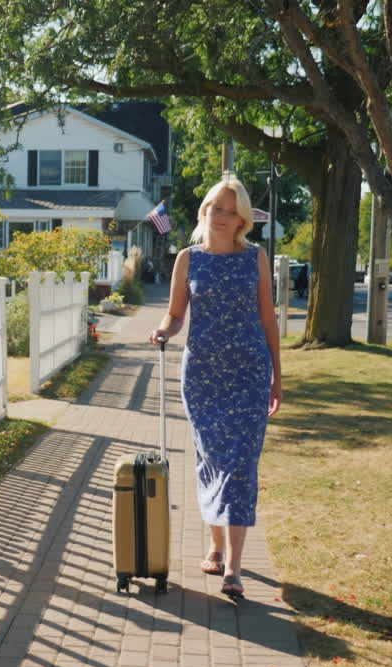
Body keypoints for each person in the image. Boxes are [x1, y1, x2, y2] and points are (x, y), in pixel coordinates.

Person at [149, 176, 282, 600]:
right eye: (215, 208)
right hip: (203, 378)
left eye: (231, 210)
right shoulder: (188, 259)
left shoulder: (255, 257)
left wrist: (278, 376)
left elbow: (267, 318)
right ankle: (215, 545)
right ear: (204, 211)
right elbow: (175, 315)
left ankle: (235, 567)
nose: (221, 217)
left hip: (250, 374)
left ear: (242, 219)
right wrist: (163, 330)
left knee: (240, 466)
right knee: (211, 461)